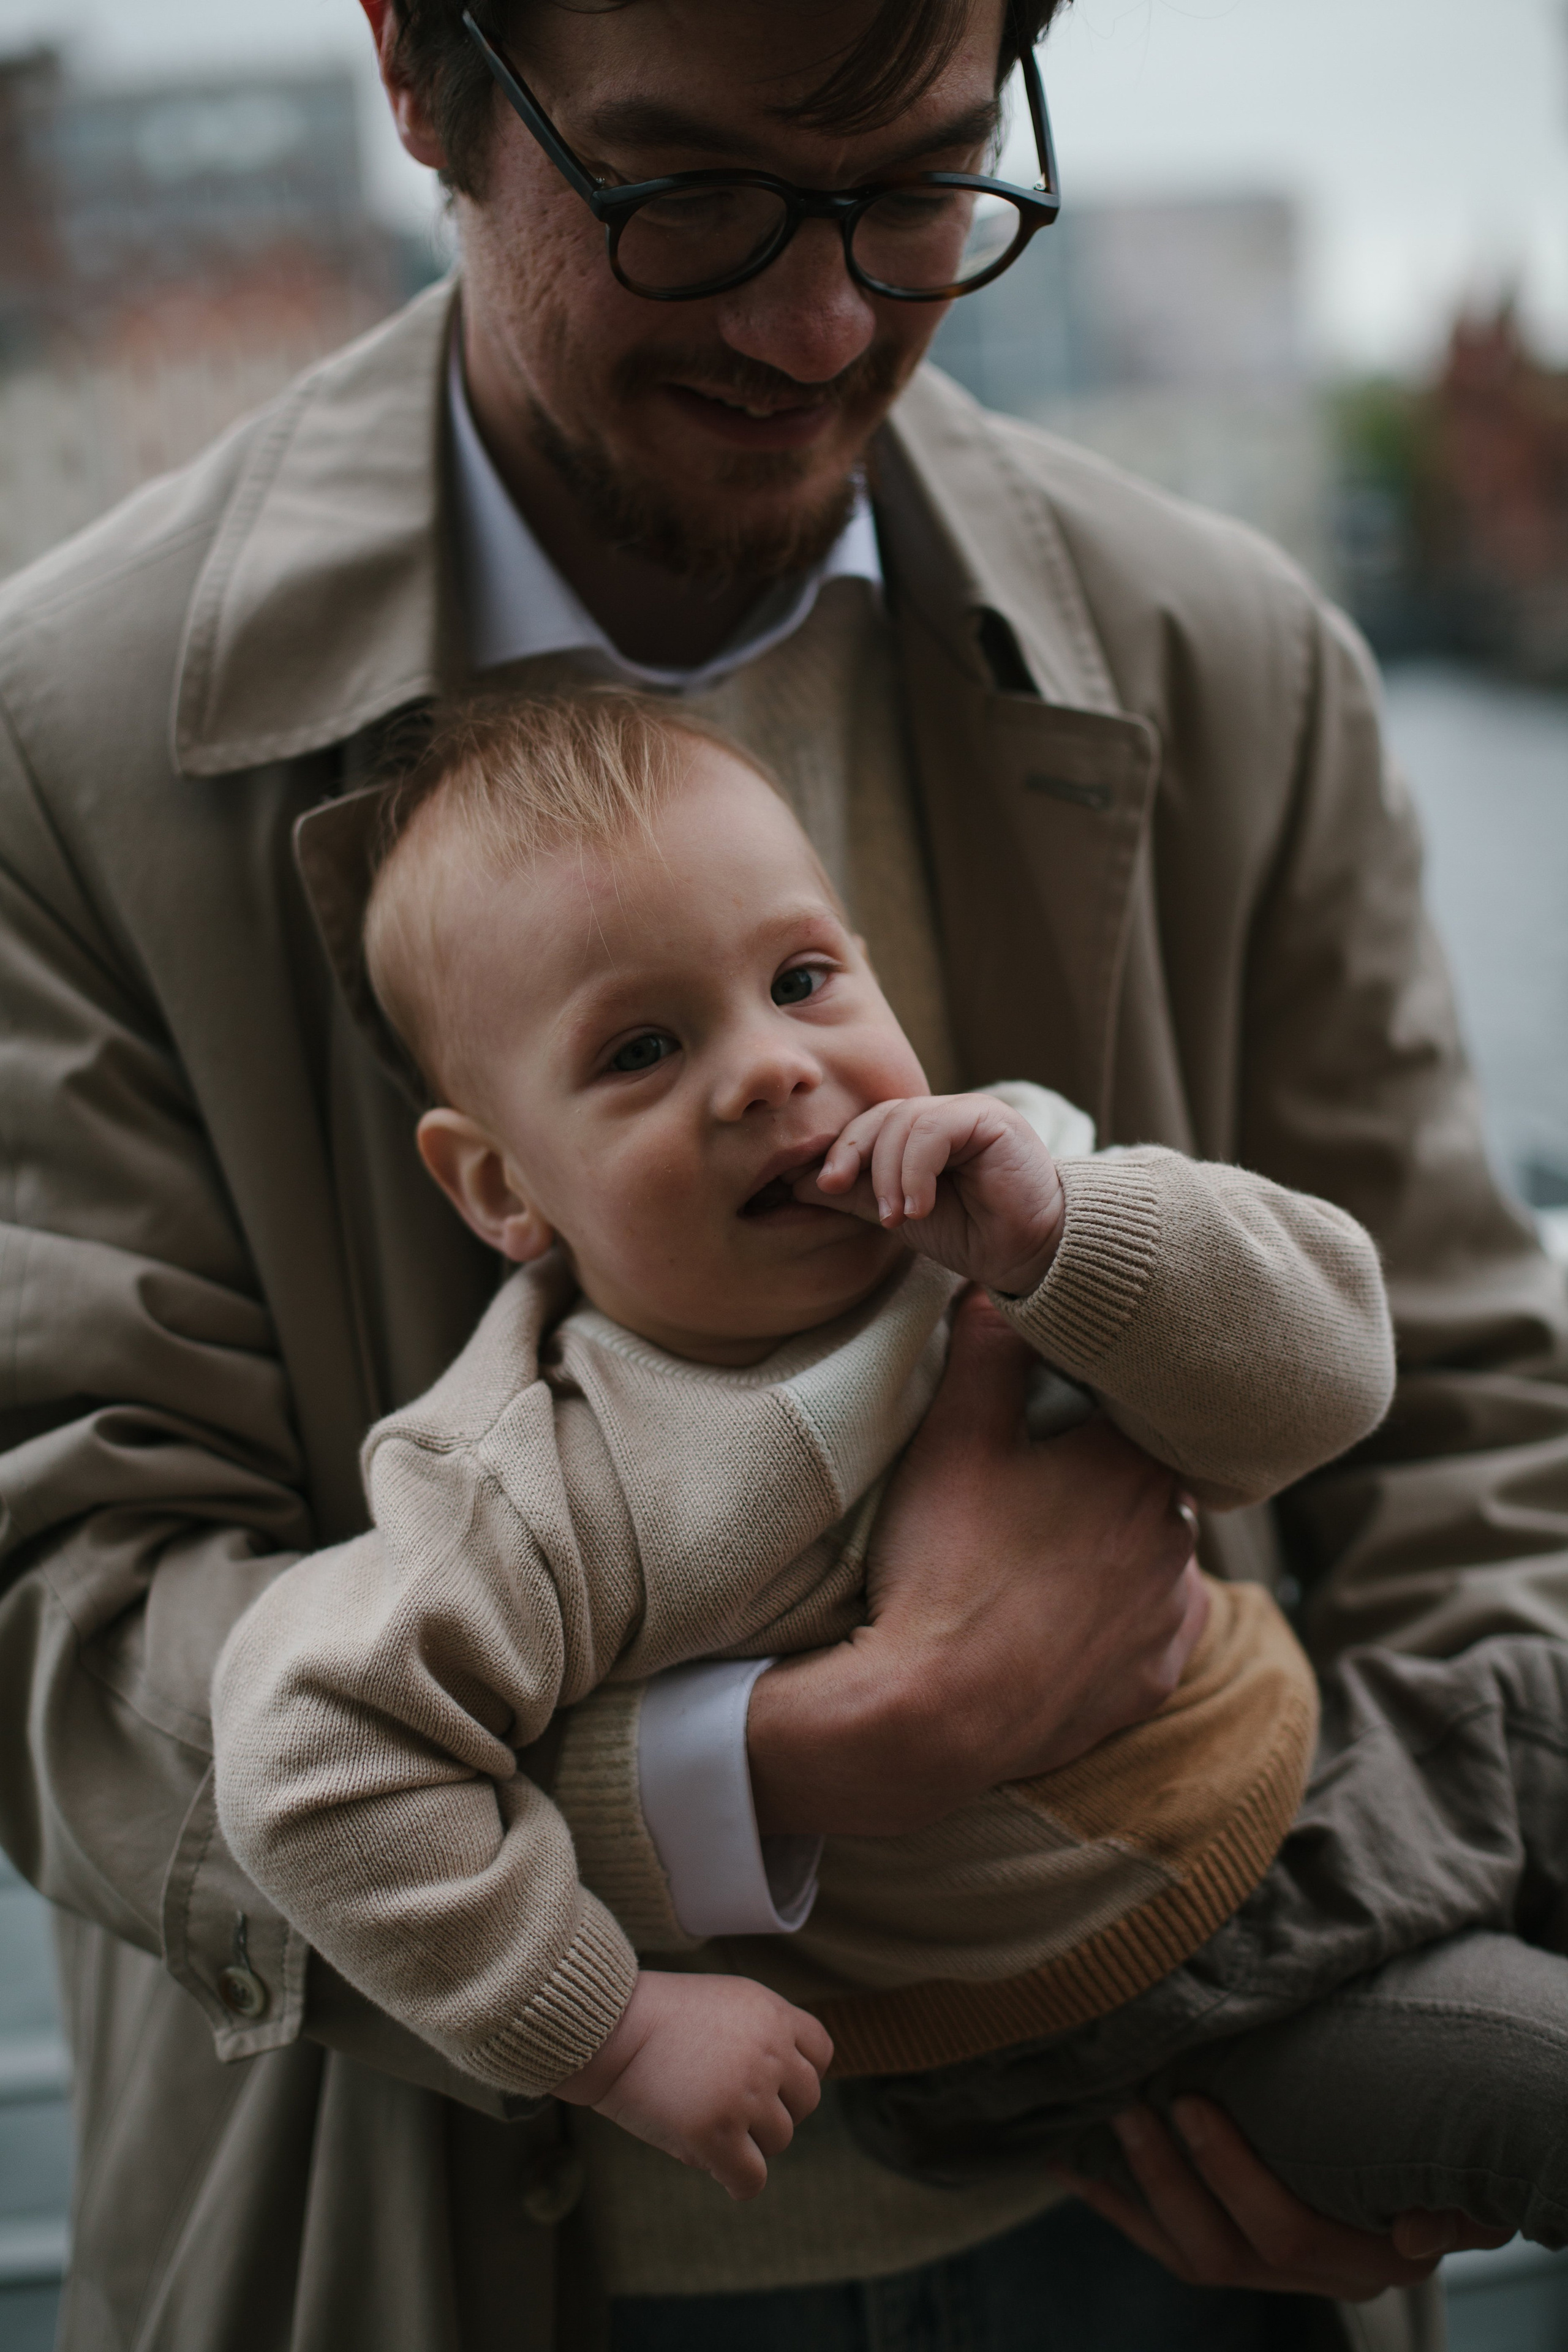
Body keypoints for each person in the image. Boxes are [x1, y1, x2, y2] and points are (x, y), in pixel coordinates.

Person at [0, 0, 1564, 2343]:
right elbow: (65, 1607)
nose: (821, 317)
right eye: (690, 195)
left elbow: (1455, 1416)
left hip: (1188, 2187)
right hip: (451, 2230)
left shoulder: (1239, 651)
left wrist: (1412, 2038)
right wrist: (804, 1757)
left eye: (919, 184)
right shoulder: (58, 753)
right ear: (419, 76)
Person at [211, 687, 1400, 2195]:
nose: (769, 1066)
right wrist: (612, 2031)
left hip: (1343, 1770)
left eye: (803, 976)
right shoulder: (541, 1483)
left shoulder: (1018, 1198)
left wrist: (1066, 1241)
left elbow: (1334, 1381)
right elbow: (308, 1762)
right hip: (1121, 2015)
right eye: (641, 1047)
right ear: (501, 1187)